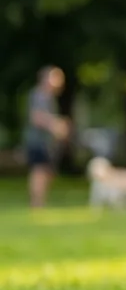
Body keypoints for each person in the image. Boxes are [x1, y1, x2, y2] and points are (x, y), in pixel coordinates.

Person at [24, 66, 70, 209]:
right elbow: (36, 117)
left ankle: (40, 203)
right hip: (37, 141)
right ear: (46, 79)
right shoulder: (39, 95)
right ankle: (36, 205)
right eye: (56, 77)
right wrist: (55, 125)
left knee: (47, 172)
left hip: (46, 142)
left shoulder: (48, 97)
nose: (60, 82)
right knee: (39, 171)